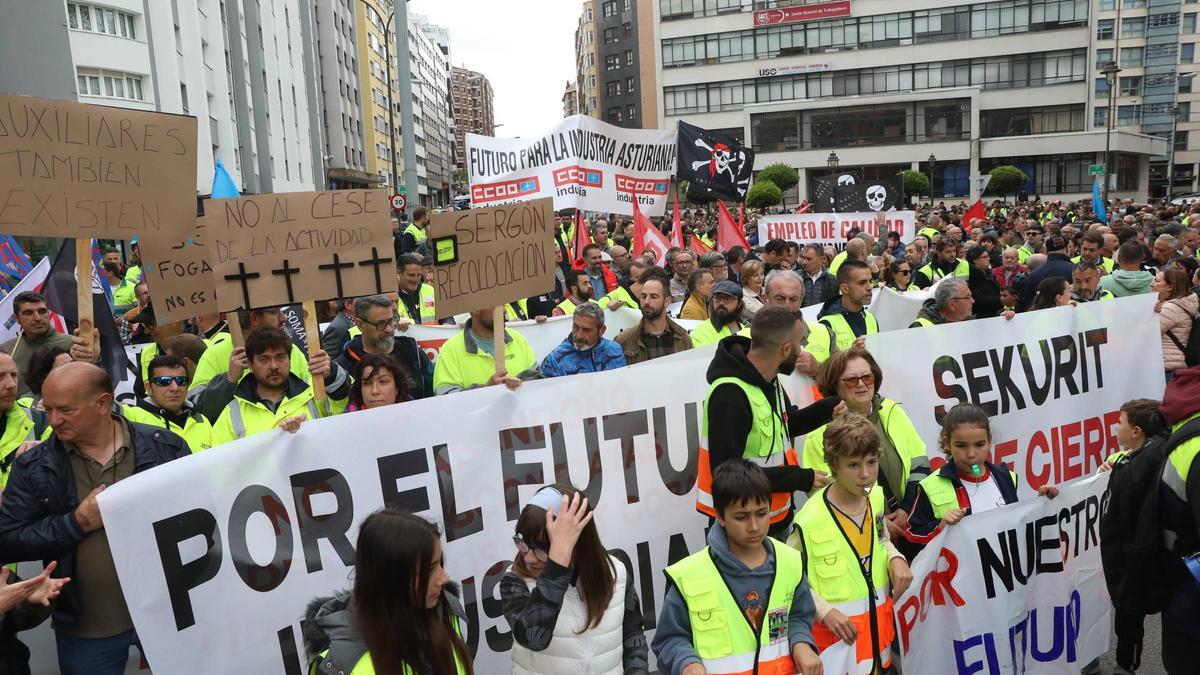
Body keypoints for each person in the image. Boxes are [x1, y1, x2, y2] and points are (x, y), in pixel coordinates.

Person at [0, 362, 191, 674]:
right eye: (47, 409)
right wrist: (76, 523)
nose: (53, 420)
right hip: (87, 629)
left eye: (65, 410)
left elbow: (207, 511)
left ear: (102, 404)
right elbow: (7, 541)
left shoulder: (165, 447)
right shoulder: (36, 465)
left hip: (169, 613)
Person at [654, 459, 821, 675]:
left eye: (762, 513)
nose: (754, 526)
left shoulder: (790, 563)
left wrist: (801, 643)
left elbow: (798, 617)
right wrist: (687, 664)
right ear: (720, 516)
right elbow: (669, 640)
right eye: (741, 517)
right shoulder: (688, 577)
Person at [697, 306, 841, 540]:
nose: (800, 350)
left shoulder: (769, 379)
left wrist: (829, 406)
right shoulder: (730, 394)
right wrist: (799, 478)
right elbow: (727, 472)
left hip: (774, 517)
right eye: (798, 345)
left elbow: (787, 424)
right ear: (785, 349)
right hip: (744, 527)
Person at [788, 415, 912, 674]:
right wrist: (824, 611)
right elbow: (787, 580)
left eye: (872, 462)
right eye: (853, 465)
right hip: (838, 656)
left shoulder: (875, 498)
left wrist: (895, 557)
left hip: (879, 650)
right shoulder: (809, 521)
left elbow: (881, 539)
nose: (865, 474)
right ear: (834, 465)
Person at [305, 509, 473, 675]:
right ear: (390, 580)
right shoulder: (345, 664)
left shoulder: (443, 610)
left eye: (439, 564)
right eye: (429, 570)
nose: (443, 578)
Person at [502, 485, 647, 674]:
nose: (528, 558)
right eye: (522, 543)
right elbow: (534, 638)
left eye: (540, 549)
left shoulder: (617, 573)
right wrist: (557, 563)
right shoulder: (514, 580)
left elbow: (633, 636)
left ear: (578, 544)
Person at [803, 346, 929, 544]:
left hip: (911, 523)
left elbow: (920, 463)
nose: (861, 384)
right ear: (834, 386)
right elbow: (824, 497)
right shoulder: (819, 435)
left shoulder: (892, 411)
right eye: (851, 380)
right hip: (865, 534)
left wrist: (906, 510)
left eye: (867, 377)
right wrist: (880, 522)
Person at [905, 403, 1058, 543]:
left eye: (979, 445)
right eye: (961, 446)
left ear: (989, 441)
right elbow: (911, 536)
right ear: (947, 443)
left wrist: (1042, 504)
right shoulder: (930, 486)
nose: (971, 454)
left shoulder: (1006, 477)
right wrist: (940, 526)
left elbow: (1019, 525)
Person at [1098, 399, 1166, 675]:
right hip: (1147, 556)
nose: (1116, 427)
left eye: (1119, 422)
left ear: (1136, 431)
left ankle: (1126, 665)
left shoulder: (1132, 473)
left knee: (1129, 616)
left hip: (1132, 559)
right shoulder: (1154, 453)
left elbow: (1119, 523)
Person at [209, 328, 349, 444]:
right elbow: (220, 466)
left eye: (280, 357)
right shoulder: (231, 413)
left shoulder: (315, 393)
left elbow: (347, 413)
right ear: (250, 365)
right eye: (264, 359)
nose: (274, 366)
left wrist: (332, 374)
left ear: (289, 359)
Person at [0, 292, 97, 397]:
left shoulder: (74, 344)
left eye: (42, 311)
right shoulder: (7, 350)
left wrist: (93, 357)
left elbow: (92, 382)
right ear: (17, 319)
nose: (37, 318)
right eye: (28, 313)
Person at [337, 295, 434, 399]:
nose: (389, 329)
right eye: (380, 324)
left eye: (391, 321)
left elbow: (434, 390)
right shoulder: (345, 365)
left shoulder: (413, 352)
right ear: (360, 325)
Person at [433, 307, 540, 394]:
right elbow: (446, 402)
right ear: (476, 309)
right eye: (496, 305)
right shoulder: (450, 350)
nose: (504, 310)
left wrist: (519, 384)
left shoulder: (518, 339)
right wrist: (486, 389)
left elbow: (539, 382)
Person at [120, 355, 214, 452]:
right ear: (148, 387)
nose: (175, 388)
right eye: (164, 381)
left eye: (181, 381)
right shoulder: (131, 416)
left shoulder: (202, 420)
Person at [615, 274, 693, 365]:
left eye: (653, 297)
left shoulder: (683, 339)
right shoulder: (624, 340)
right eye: (643, 296)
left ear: (667, 301)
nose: (646, 302)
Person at [0, 353, 50, 491]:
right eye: (0, 376)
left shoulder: (38, 421)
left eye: (14, 375)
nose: (11, 384)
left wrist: (48, 449)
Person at [541, 303, 627, 377]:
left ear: (601, 330)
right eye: (576, 327)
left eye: (587, 330)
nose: (579, 335)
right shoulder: (554, 361)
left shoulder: (615, 350)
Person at [818, 260, 879, 350]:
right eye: (862, 283)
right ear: (845, 288)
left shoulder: (871, 318)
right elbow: (821, 363)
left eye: (870, 281)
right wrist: (850, 354)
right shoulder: (827, 323)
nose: (870, 287)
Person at [1154, 267, 1198, 381]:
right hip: (1174, 366)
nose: (1152, 284)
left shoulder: (1170, 308)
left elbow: (1148, 333)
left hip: (1167, 368)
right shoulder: (1177, 305)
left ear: (1170, 286)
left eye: (1157, 281)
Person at [348, 352, 413, 411]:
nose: (374, 391)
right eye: (367, 383)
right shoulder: (347, 420)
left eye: (383, 382)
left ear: (397, 387)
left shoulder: (416, 414)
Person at [690, 280, 746, 346]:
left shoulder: (746, 330)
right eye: (718, 298)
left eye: (727, 299)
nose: (721, 303)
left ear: (739, 303)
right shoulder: (700, 333)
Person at [396, 253, 444, 326]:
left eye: (419, 275)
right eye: (411, 275)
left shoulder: (430, 290)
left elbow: (447, 317)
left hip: (432, 337)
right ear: (398, 272)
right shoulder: (391, 298)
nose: (415, 279)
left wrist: (448, 324)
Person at [966, 245, 1003, 319]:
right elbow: (978, 298)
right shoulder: (972, 276)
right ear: (975, 260)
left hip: (993, 314)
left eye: (988, 256)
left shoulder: (988, 272)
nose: (988, 259)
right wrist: (1001, 300)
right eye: (985, 257)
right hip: (981, 317)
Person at [797, 244, 836, 308]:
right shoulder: (796, 278)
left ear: (821, 259)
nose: (804, 262)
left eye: (809, 259)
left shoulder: (832, 280)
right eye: (804, 258)